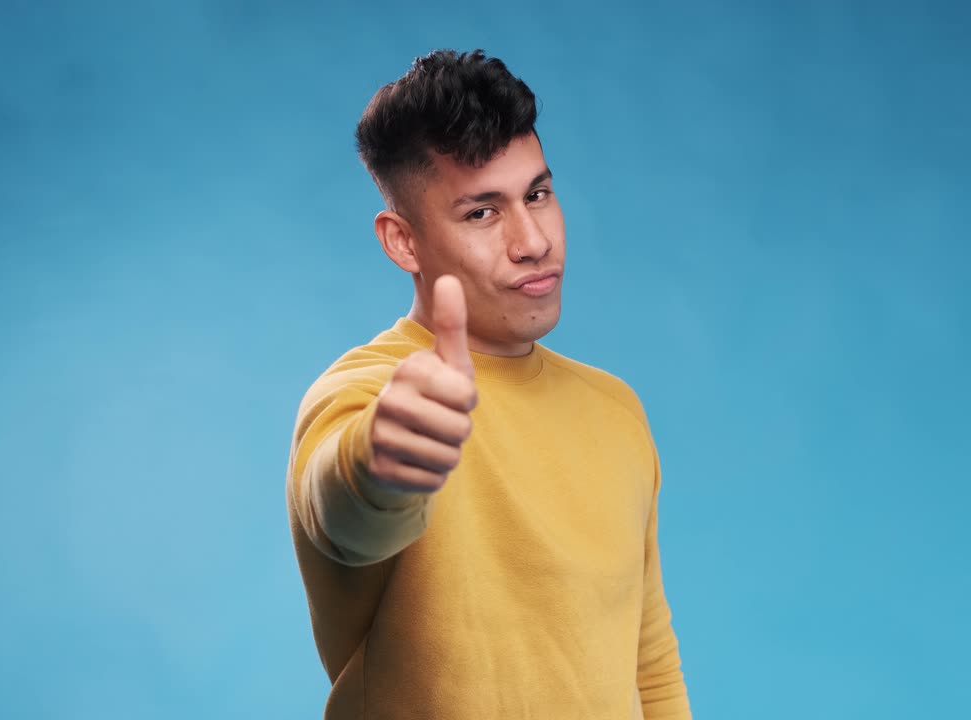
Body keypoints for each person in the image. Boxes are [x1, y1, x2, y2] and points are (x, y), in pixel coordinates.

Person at [286, 49, 692, 719]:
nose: (533, 241)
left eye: (537, 195)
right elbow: (341, 512)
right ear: (403, 242)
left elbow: (649, 662)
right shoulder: (370, 395)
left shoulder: (616, 409)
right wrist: (380, 466)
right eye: (482, 213)